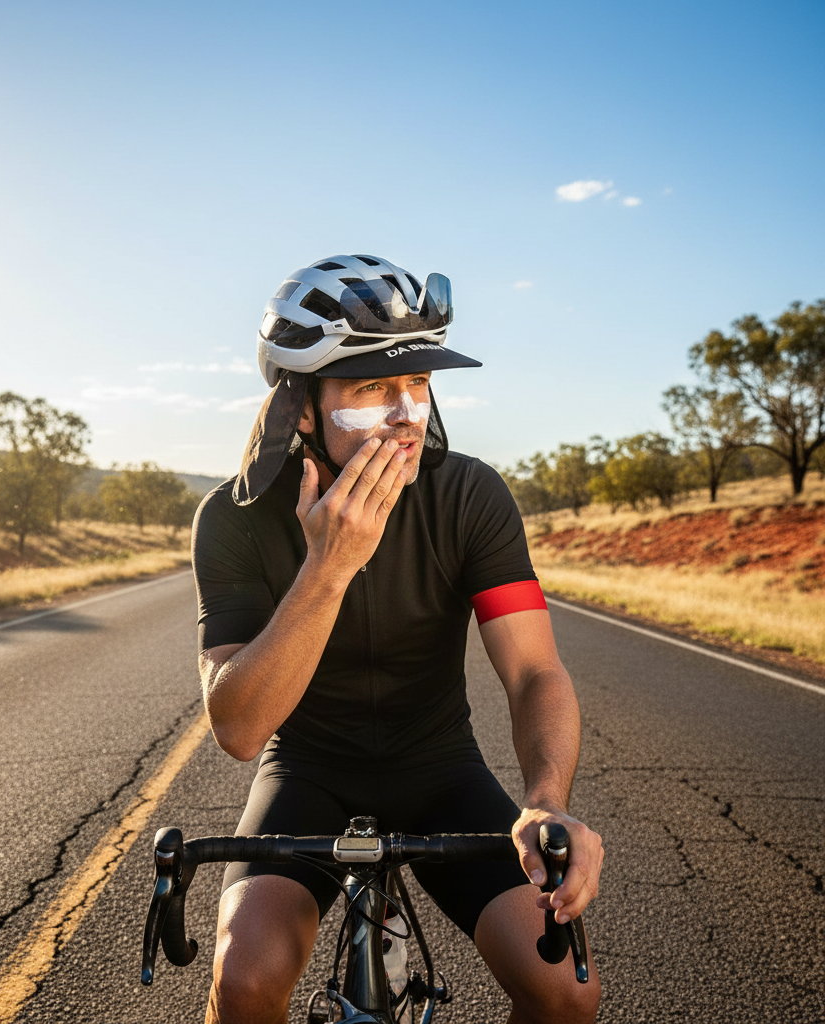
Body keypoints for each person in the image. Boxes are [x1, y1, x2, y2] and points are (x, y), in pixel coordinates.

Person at [192, 254, 603, 1024]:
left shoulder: (469, 493)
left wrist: (546, 805)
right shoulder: (233, 518)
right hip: (305, 775)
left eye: (418, 384)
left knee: (568, 993)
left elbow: (536, 675)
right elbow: (240, 729)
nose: (408, 413)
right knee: (244, 985)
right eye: (374, 388)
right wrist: (328, 568)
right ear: (302, 409)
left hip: (439, 768)